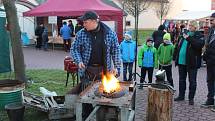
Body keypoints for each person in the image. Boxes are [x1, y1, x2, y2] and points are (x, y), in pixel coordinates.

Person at [174, 21, 204, 105]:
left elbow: (198, 45)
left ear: (195, 27)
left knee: (192, 81)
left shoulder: (199, 35)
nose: (190, 27)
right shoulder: (184, 34)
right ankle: (181, 95)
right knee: (181, 80)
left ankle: (191, 98)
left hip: (192, 63)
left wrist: (188, 38)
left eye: (191, 26)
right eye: (189, 25)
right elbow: (178, 45)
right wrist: (175, 56)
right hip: (181, 62)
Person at [202, 13, 215, 108]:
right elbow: (207, 45)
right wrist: (205, 55)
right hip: (210, 62)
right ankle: (210, 99)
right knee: (209, 80)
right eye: (210, 20)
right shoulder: (211, 31)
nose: (210, 22)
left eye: (212, 20)